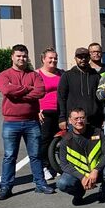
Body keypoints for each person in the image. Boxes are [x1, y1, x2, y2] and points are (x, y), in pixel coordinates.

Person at [0, 44, 53, 200]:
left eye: (24, 56)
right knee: (9, 156)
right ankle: (6, 187)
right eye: (18, 56)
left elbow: (40, 92)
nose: (22, 58)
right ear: (12, 57)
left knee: (35, 155)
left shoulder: (34, 75)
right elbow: (7, 91)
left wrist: (18, 93)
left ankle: (40, 184)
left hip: (32, 121)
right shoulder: (4, 75)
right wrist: (28, 88)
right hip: (11, 122)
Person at [56, 107, 105, 205]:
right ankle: (79, 193)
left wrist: (96, 170)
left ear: (86, 119)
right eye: (76, 118)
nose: (79, 121)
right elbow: (64, 165)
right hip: (78, 175)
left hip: (97, 172)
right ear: (70, 121)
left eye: (82, 118)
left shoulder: (97, 132)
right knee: (62, 183)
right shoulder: (66, 140)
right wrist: (82, 177)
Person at [57, 47, 104, 131]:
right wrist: (62, 118)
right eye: (80, 57)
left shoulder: (96, 76)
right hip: (75, 121)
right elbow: (61, 98)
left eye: (85, 57)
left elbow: (101, 99)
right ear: (75, 58)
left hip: (95, 120)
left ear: (89, 58)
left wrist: (103, 117)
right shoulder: (67, 76)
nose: (83, 59)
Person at [36, 47, 62, 179]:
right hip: (45, 112)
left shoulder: (61, 73)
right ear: (43, 59)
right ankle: (45, 166)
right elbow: (32, 94)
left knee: (59, 140)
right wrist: (36, 109)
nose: (53, 60)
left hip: (60, 111)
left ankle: (56, 165)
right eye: (50, 58)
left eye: (55, 58)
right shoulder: (36, 74)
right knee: (45, 140)